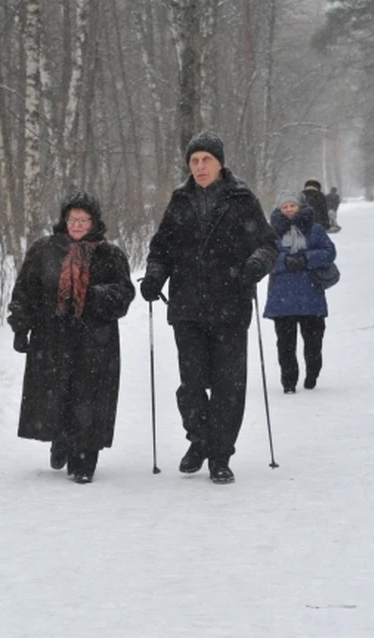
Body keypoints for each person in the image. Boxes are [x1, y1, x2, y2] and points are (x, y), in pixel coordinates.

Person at [139, 131, 278, 484]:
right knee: (191, 385)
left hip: (230, 305)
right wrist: (154, 275)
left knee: (228, 386)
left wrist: (256, 265)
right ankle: (199, 440)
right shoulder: (180, 201)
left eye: (207, 160)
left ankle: (220, 455)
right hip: (186, 308)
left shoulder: (242, 200)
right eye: (194, 161)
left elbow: (267, 244)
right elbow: (161, 249)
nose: (200, 167)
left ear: (220, 163)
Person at [8, 190, 135, 484]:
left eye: (84, 219)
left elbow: (125, 293)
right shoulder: (44, 250)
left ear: (94, 221)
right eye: (72, 218)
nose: (77, 224)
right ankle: (60, 440)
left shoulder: (110, 254)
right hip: (52, 337)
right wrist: (20, 326)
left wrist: (94, 296)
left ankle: (84, 458)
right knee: (57, 393)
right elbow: (26, 291)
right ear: (64, 220)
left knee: (89, 398)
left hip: (96, 340)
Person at [263, 190, 337, 393]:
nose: (288, 210)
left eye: (292, 206)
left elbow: (330, 252)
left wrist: (306, 259)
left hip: (311, 295)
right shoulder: (270, 232)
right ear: (279, 209)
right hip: (282, 298)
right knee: (285, 346)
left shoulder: (315, 229)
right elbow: (263, 258)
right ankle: (288, 382)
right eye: (284, 207)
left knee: (314, 342)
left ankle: (312, 374)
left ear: (299, 207)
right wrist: (285, 261)